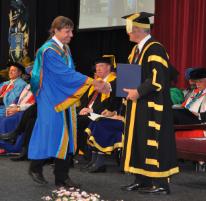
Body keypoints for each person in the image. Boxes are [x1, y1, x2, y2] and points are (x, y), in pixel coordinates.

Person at [28, 16, 107, 188]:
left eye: (71, 31)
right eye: (67, 31)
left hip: (63, 95)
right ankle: (36, 167)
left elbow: (68, 73)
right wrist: (92, 82)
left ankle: (61, 176)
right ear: (55, 30)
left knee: (67, 134)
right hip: (51, 98)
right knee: (52, 133)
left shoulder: (65, 48)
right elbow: (64, 74)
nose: (71, 35)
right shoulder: (48, 51)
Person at [120, 12, 179, 195]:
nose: (127, 32)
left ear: (137, 29)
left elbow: (158, 78)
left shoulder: (154, 49)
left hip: (154, 105)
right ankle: (142, 180)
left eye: (129, 29)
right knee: (139, 140)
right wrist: (112, 86)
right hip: (139, 104)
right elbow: (131, 76)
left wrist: (138, 91)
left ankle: (162, 183)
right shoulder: (136, 50)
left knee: (155, 141)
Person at [77, 56, 122, 161]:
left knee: (79, 122)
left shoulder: (115, 83)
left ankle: (86, 155)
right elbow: (84, 100)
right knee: (70, 119)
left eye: (101, 66)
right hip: (88, 112)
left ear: (109, 68)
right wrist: (82, 109)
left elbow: (112, 104)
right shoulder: (95, 82)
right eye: (97, 66)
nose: (98, 69)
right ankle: (68, 156)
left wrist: (91, 110)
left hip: (101, 114)